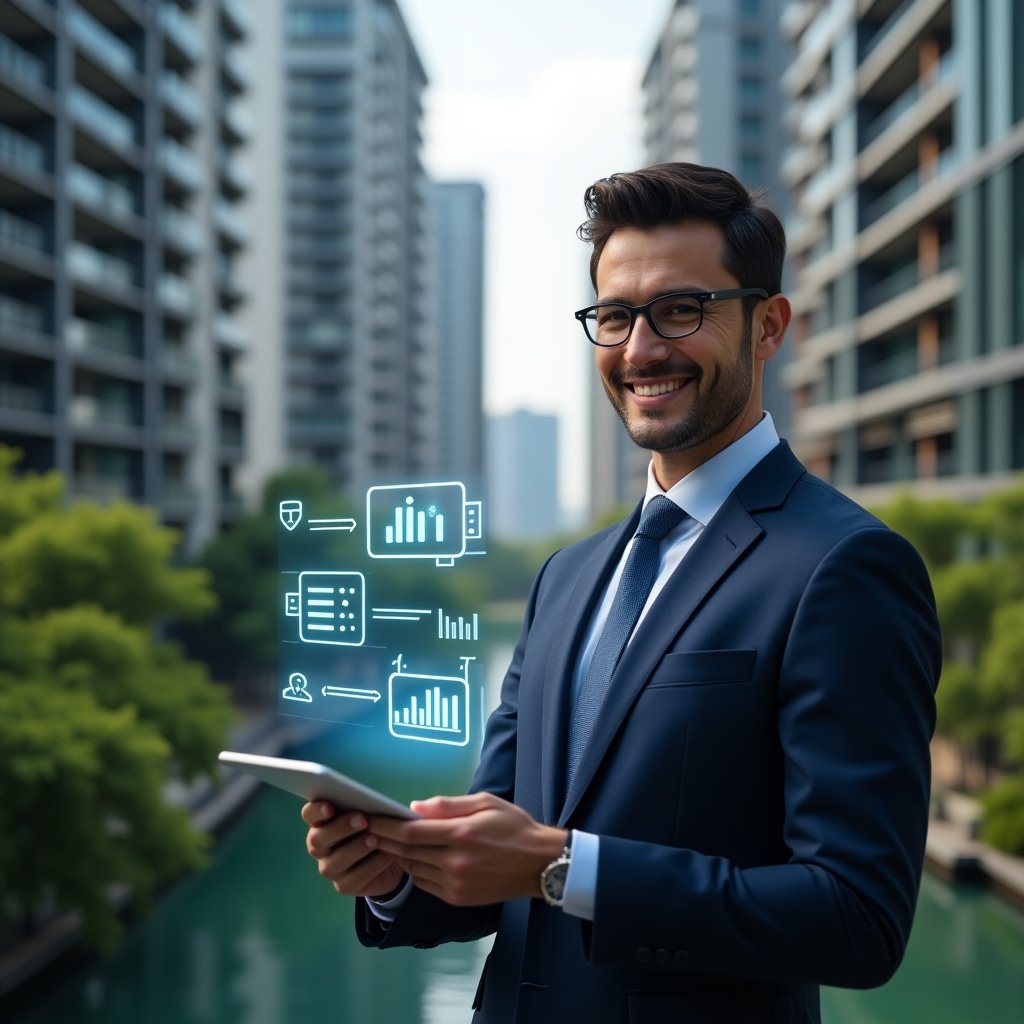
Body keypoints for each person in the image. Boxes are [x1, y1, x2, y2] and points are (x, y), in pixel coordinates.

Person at [302, 162, 941, 1024]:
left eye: (681, 310)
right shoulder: (566, 577)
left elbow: (857, 917)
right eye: (613, 316)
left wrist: (565, 868)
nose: (640, 349)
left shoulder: (848, 567)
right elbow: (507, 852)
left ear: (769, 326)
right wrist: (396, 875)